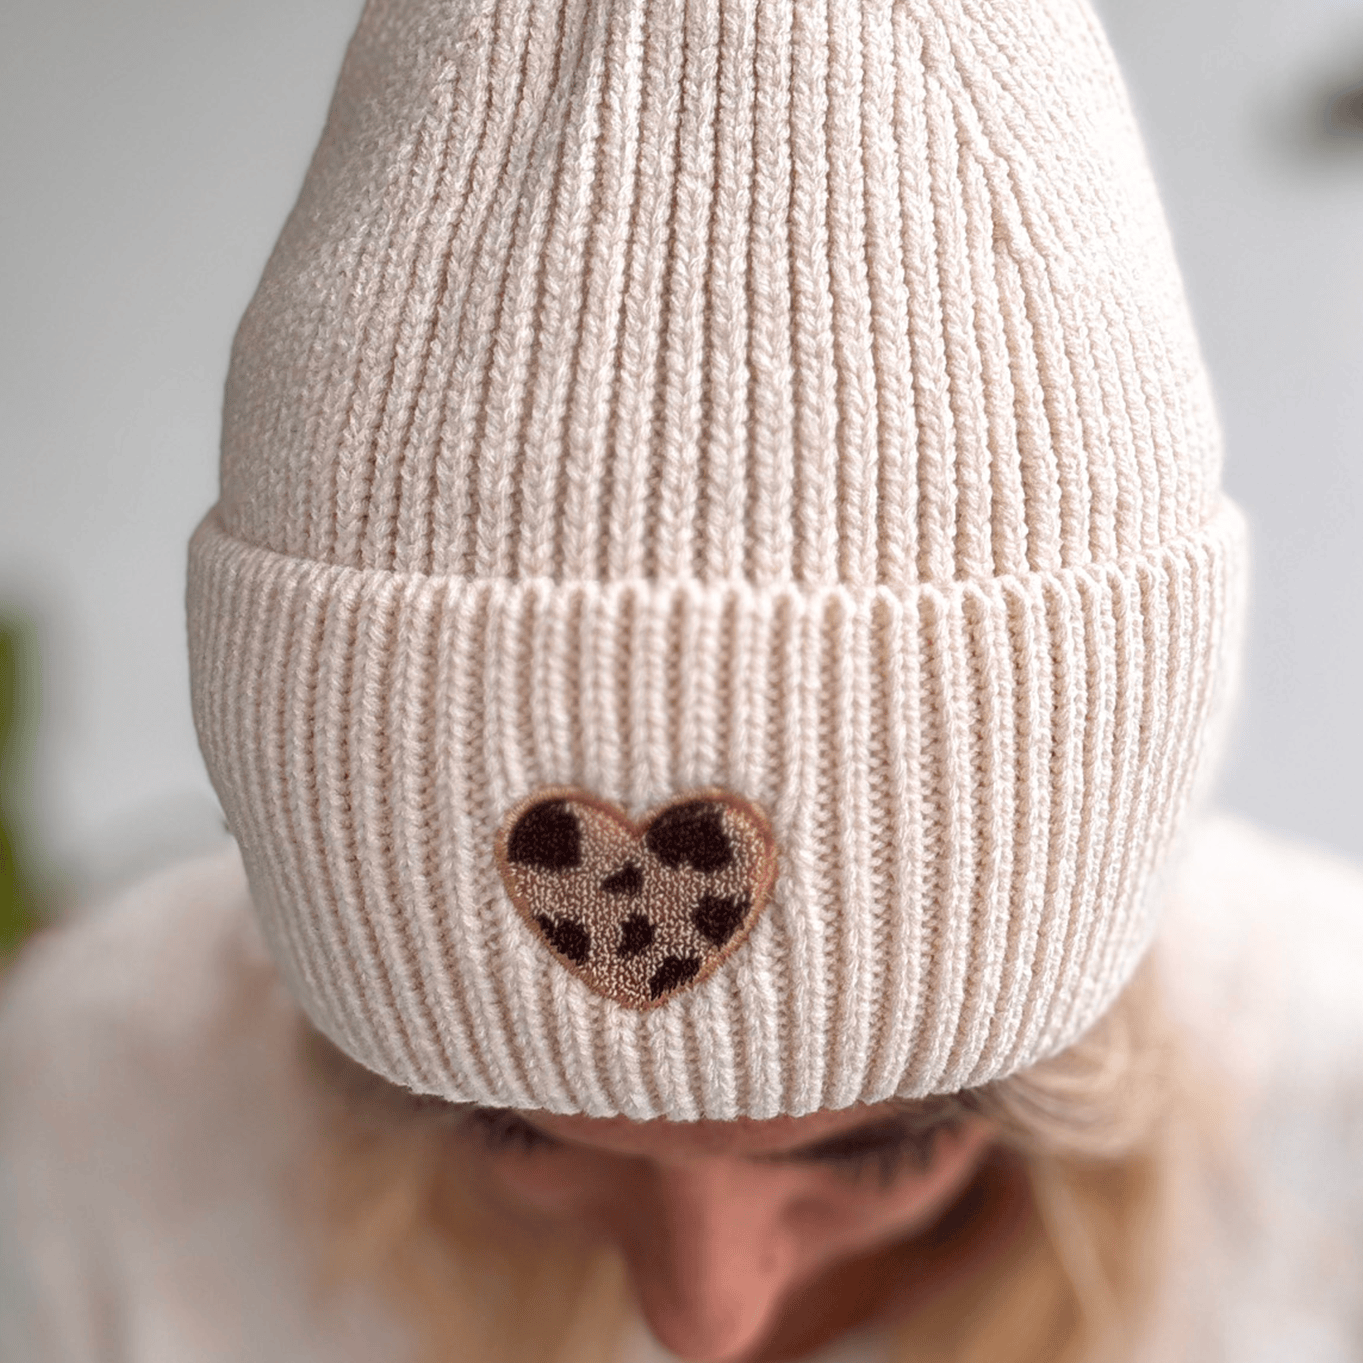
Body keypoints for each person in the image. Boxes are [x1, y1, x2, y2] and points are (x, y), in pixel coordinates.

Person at [2, 0, 1362, 1360]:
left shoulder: (1329, 1147)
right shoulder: (95, 1118)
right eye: (508, 1121)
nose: (700, 1314)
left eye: (889, 1144)